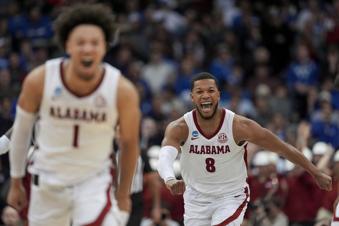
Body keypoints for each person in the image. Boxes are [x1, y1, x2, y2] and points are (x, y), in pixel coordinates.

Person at [6, 3, 140, 226]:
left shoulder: (122, 90)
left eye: (94, 43)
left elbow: (129, 143)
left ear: (104, 47)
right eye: (80, 42)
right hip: (47, 181)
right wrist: (16, 181)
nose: (87, 49)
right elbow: (20, 133)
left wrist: (124, 194)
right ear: (67, 45)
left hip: (94, 182)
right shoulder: (39, 80)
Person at [157, 72, 332, 226]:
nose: (205, 95)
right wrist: (170, 179)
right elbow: (165, 156)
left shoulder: (239, 126)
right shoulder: (180, 127)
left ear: (218, 95)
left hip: (230, 196)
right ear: (192, 97)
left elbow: (283, 148)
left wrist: (315, 172)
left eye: (210, 91)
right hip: (195, 198)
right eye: (199, 92)